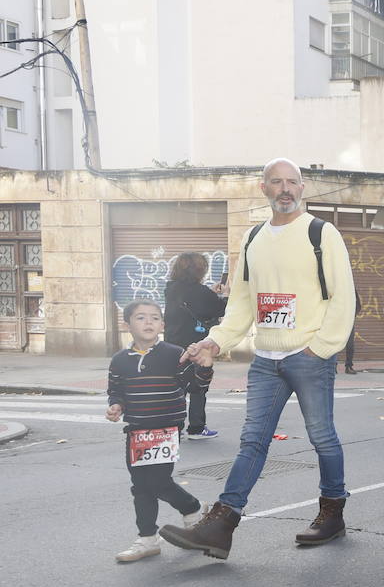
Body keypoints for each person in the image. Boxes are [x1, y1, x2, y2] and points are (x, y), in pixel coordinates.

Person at [160, 158, 356, 559]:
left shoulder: (322, 233)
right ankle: (222, 524)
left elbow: (343, 298)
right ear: (263, 189)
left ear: (302, 188)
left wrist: (318, 348)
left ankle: (332, 513)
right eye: (276, 182)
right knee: (253, 440)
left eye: (292, 182)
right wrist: (215, 342)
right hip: (266, 360)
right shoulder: (253, 238)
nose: (285, 189)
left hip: (309, 358)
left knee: (322, 437)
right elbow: (242, 302)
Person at [106, 300, 213, 562]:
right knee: (140, 485)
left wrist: (205, 366)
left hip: (166, 429)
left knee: (156, 481)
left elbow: (196, 386)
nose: (149, 322)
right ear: (127, 324)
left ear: (162, 325)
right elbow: (115, 390)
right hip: (137, 431)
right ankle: (148, 539)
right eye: (141, 318)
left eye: (154, 318)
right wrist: (116, 406)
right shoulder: (120, 360)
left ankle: (192, 508)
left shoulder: (173, 354)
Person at [162, 251, 227, 440]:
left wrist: (211, 293)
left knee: (176, 387)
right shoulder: (200, 291)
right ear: (199, 270)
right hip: (195, 345)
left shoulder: (171, 289)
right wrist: (224, 295)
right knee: (199, 386)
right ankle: (197, 428)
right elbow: (218, 308)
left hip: (172, 344)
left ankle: (173, 428)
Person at [342, 288, 362, 374]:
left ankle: (348, 366)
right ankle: (333, 366)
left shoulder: (351, 287)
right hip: (337, 319)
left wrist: (353, 313)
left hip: (349, 320)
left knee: (350, 344)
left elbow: (358, 303)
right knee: (333, 342)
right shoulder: (336, 287)